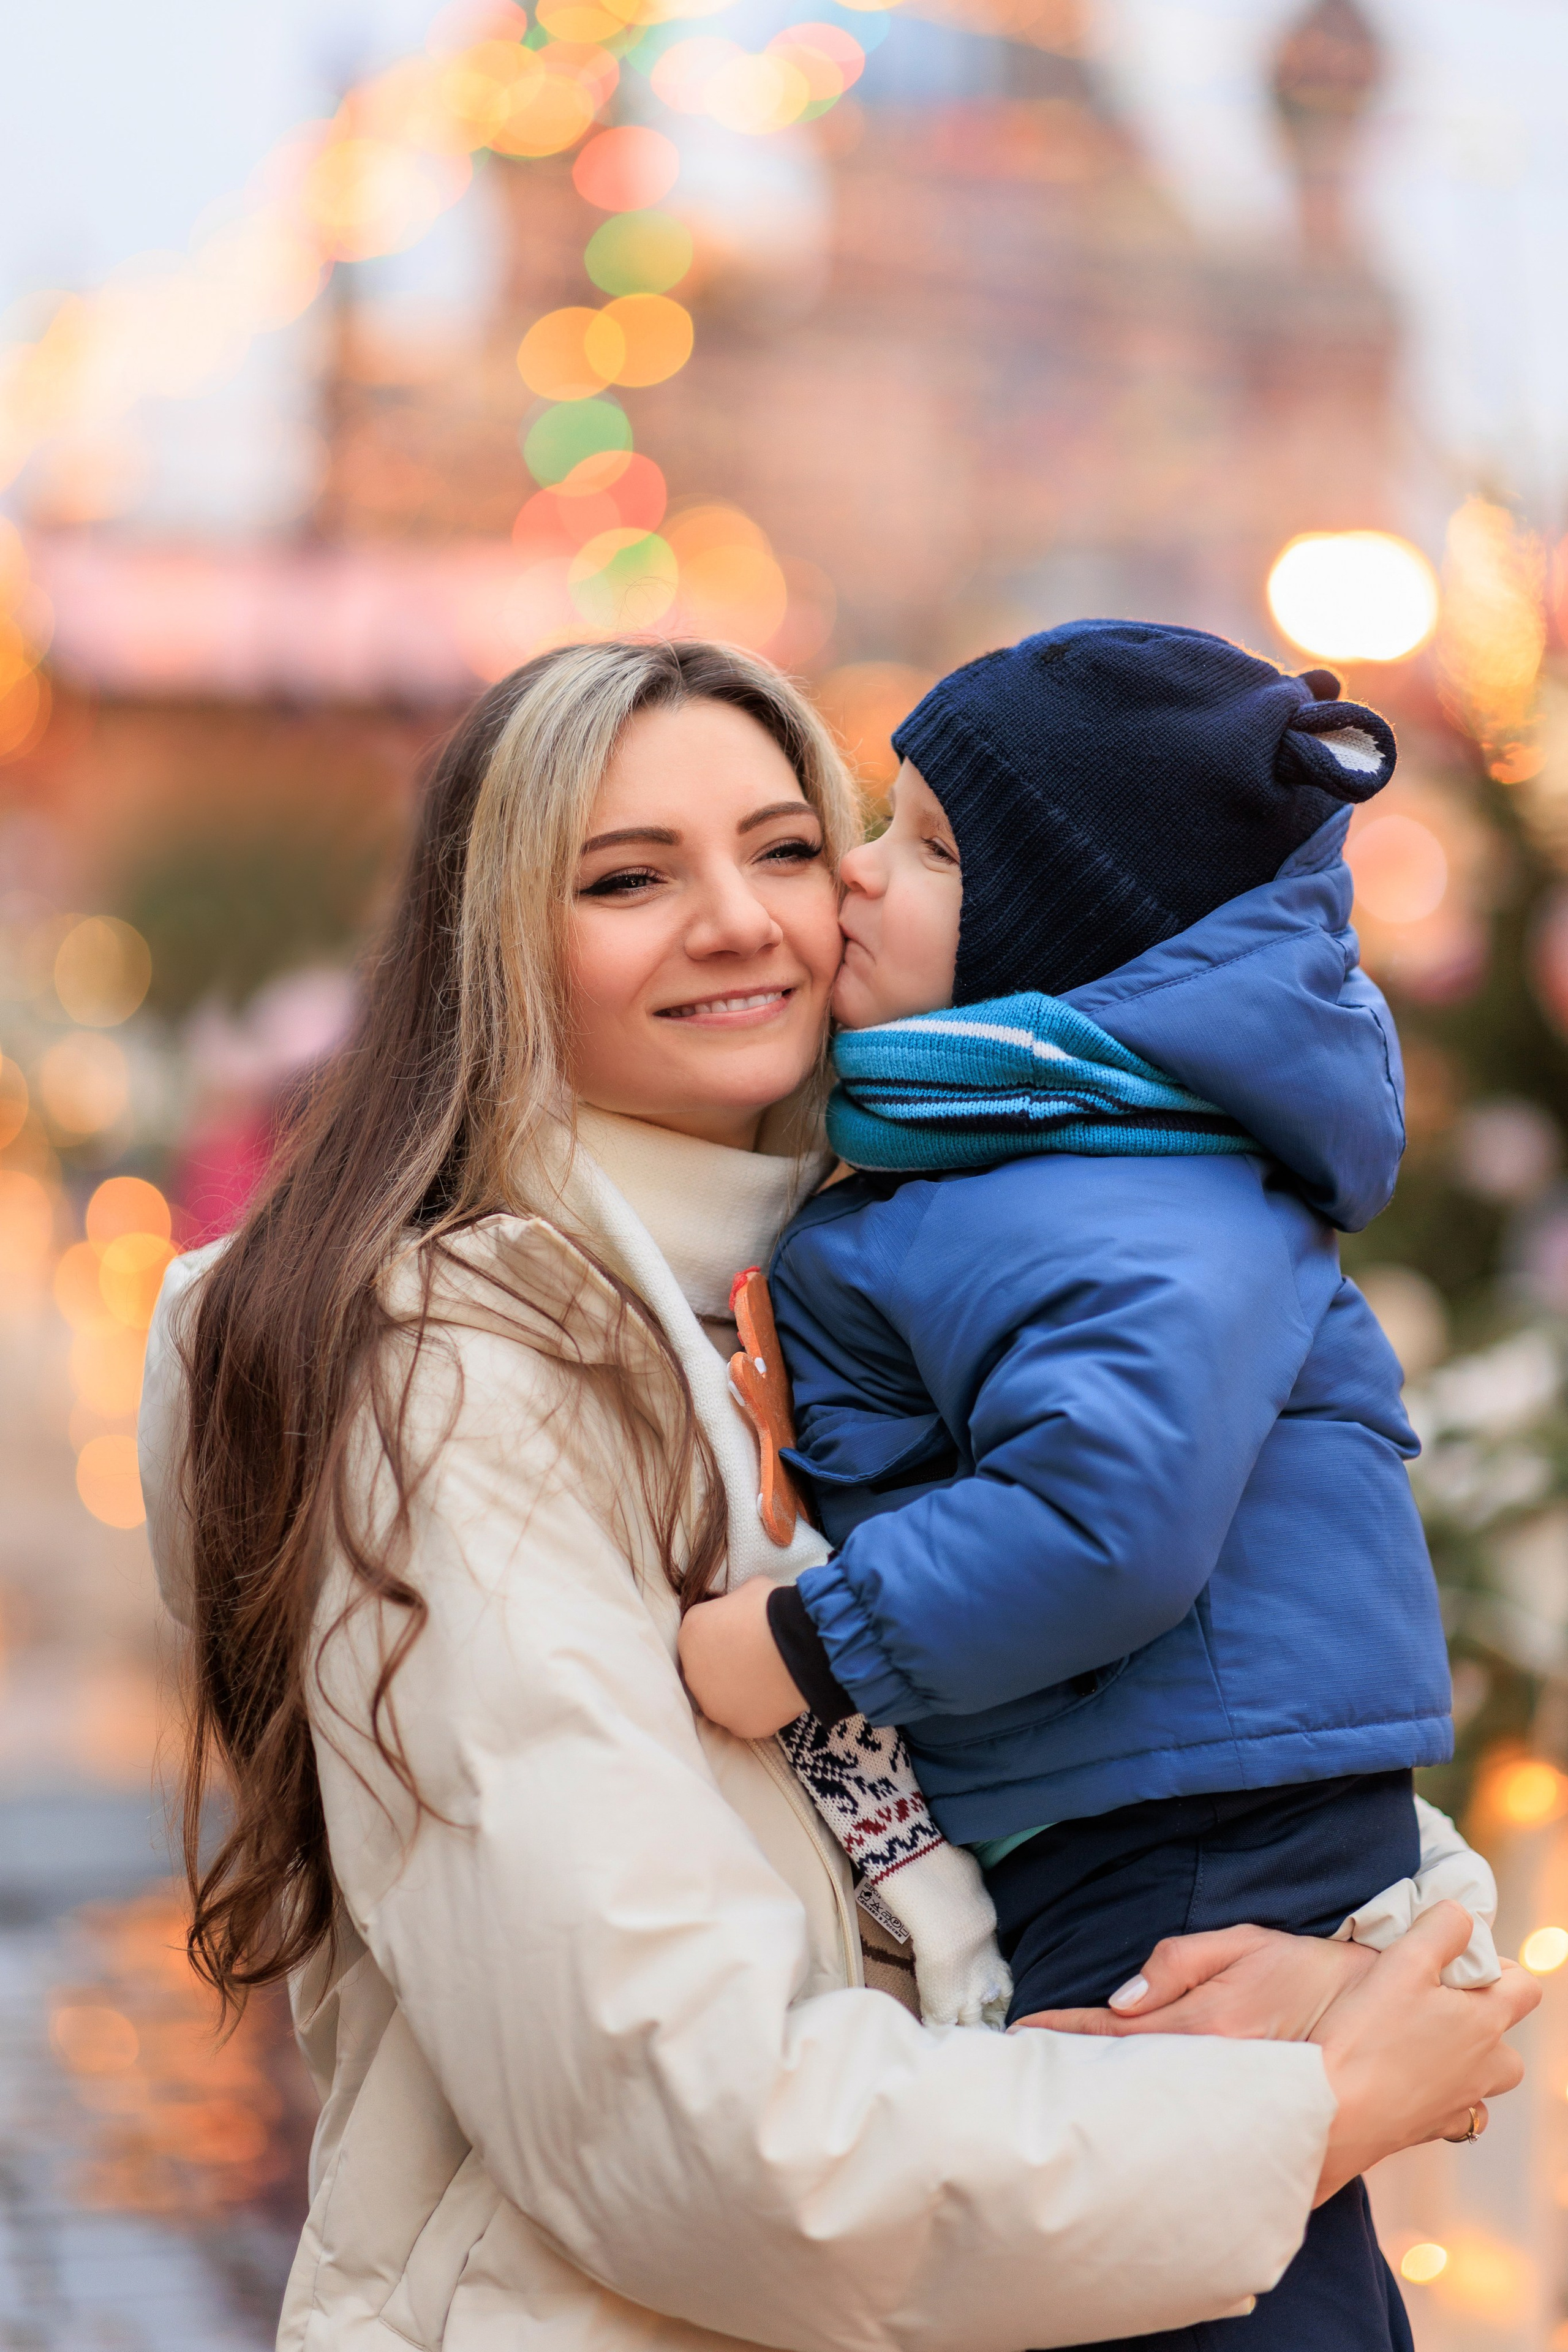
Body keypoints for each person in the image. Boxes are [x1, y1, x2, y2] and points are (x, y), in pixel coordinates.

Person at [139, 639, 1534, 2352]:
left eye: (788, 846)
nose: (745, 920)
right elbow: (684, 2126)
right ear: (494, 942)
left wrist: (1385, 1975)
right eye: (629, 877)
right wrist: (1304, 2107)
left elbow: (1218, 1698)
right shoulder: (447, 1371)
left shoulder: (915, 1266)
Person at [676, 622, 1501, 2350]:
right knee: (1203, 2231)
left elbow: (1104, 1523)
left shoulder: (1115, 1192)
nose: (856, 871)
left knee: (1188, 2251)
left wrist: (809, 1645)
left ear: (1063, 927)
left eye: (928, 848)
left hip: (1181, 1823)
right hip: (1152, 1792)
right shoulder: (1036, 1153)